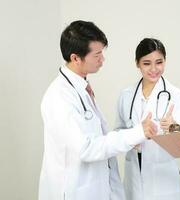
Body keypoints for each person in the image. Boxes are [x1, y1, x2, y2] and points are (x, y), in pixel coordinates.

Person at [38, 20, 157, 200]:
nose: (103, 59)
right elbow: (87, 148)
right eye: (97, 55)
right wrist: (137, 133)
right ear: (76, 58)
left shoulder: (81, 87)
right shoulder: (59, 97)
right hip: (73, 192)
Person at [115, 38, 180, 200]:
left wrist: (173, 127)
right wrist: (133, 136)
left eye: (159, 62)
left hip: (163, 173)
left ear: (165, 61)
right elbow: (118, 131)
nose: (154, 69)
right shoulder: (126, 95)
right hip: (134, 169)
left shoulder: (174, 94)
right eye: (146, 63)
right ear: (137, 64)